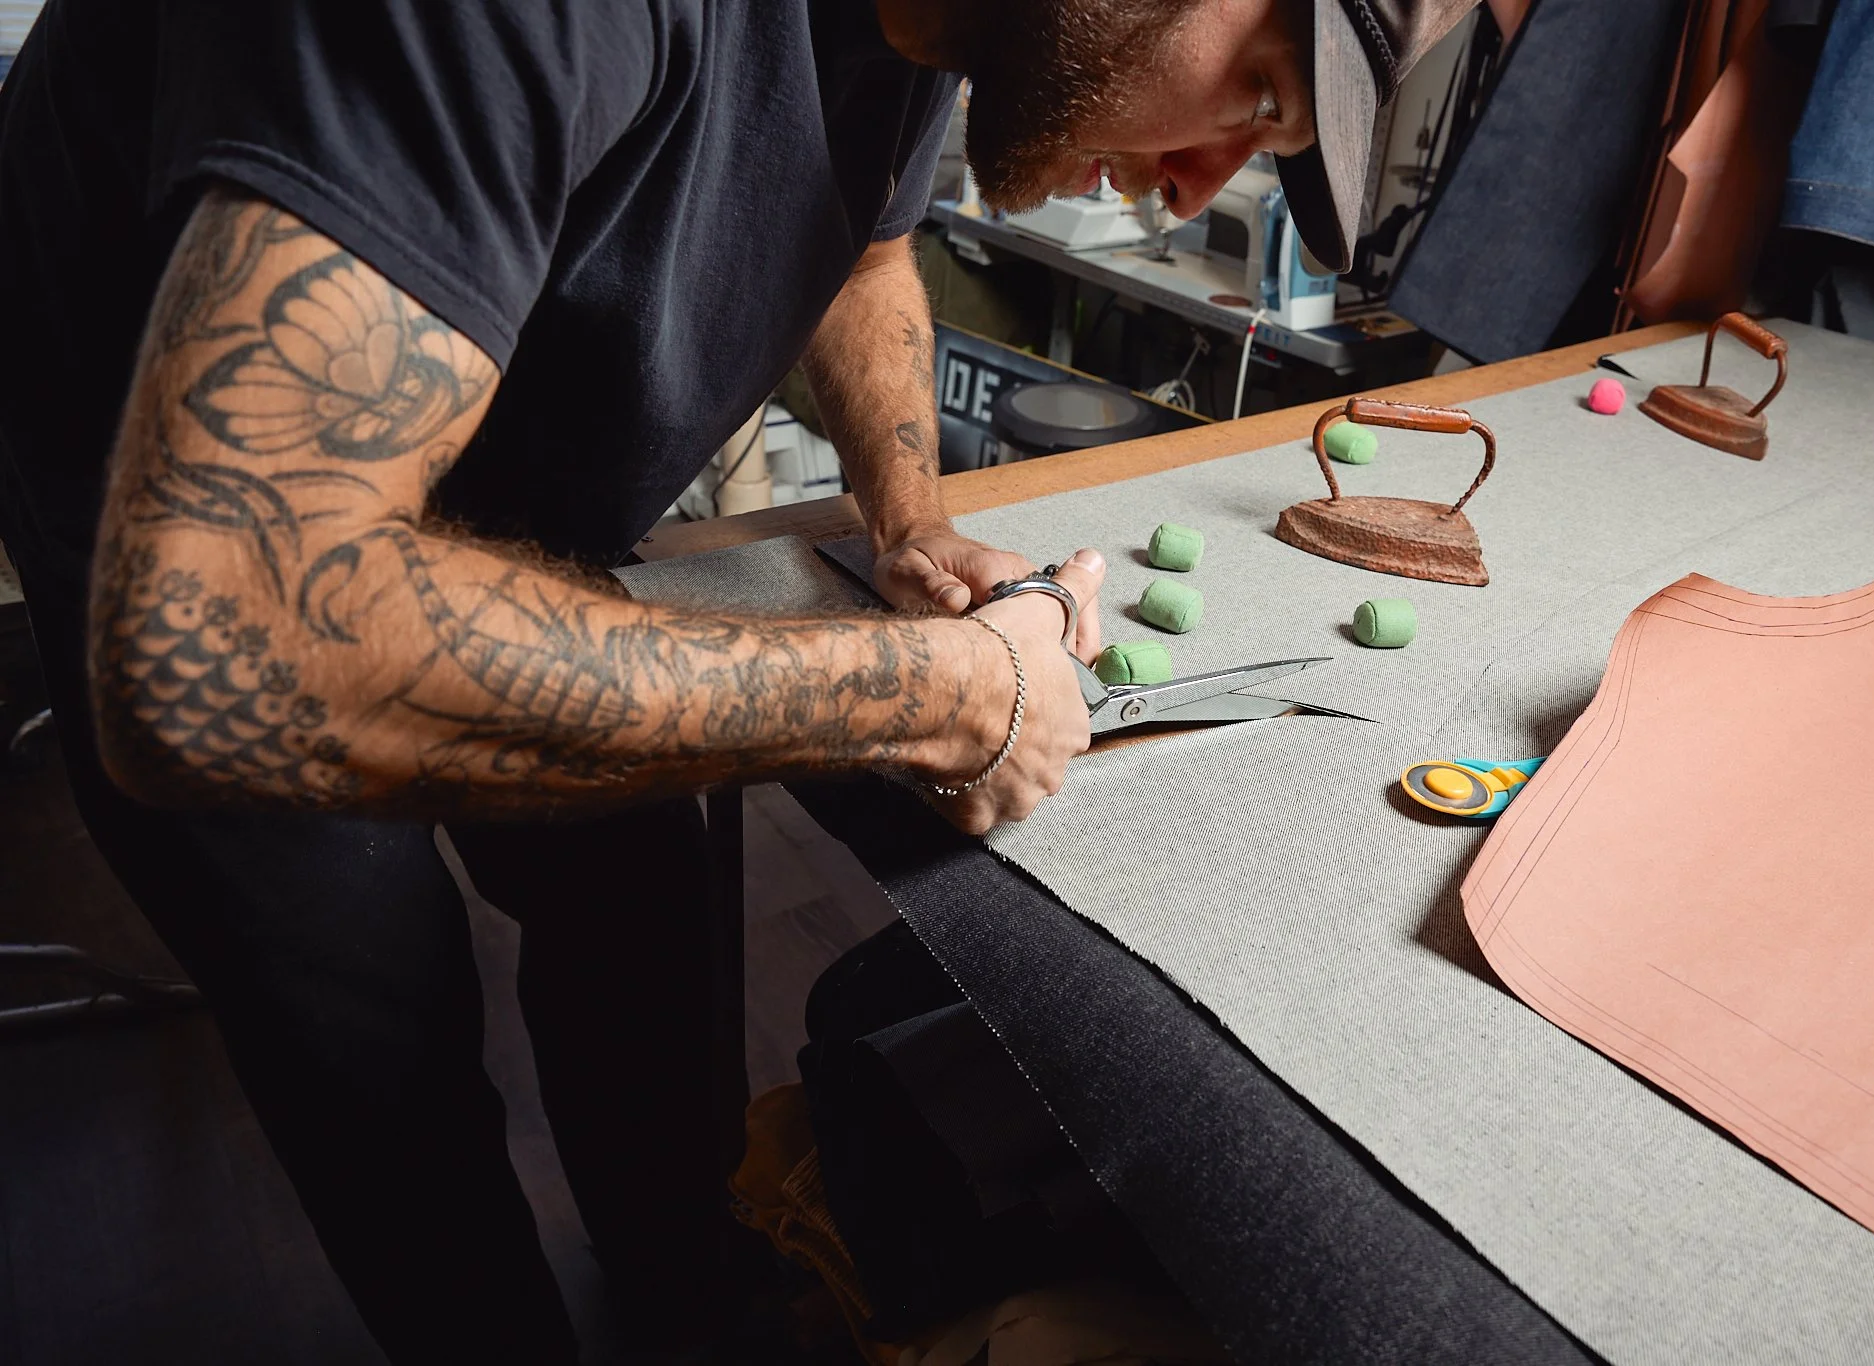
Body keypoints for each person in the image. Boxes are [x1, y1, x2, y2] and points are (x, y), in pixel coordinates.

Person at [0, 0, 1469, 1358]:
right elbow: (226, 631)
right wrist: (923, 690)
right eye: (1258, 89)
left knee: (637, 895)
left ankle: (686, 1301)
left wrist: (909, 518)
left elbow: (870, 247)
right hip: (184, 508)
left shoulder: (939, 23)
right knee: (378, 1026)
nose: (1199, 188)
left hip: (503, 455)